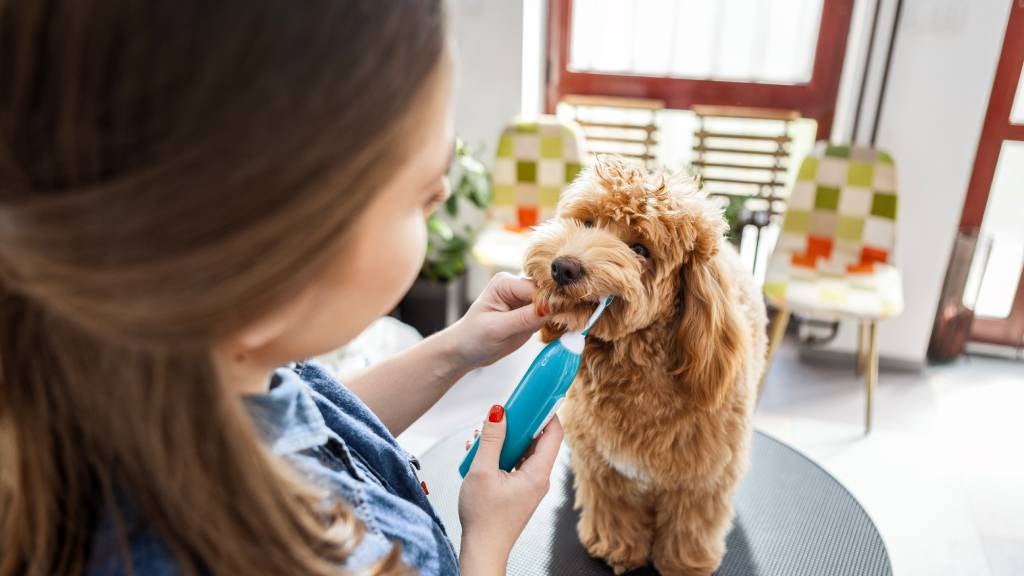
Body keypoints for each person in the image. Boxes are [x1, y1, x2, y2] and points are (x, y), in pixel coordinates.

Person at [0, 1, 564, 574]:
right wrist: (487, 544)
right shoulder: (324, 557)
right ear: (272, 265)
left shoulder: (166, 370)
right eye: (423, 196)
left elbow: (313, 429)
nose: (443, 198)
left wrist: (455, 348)